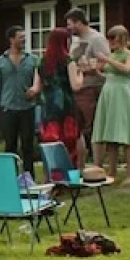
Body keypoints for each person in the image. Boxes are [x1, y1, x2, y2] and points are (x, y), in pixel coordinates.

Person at [93, 25, 130, 183]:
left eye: (113, 39)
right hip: (108, 91)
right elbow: (105, 73)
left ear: (122, 38)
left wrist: (107, 59)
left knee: (126, 134)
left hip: (121, 93)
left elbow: (127, 69)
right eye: (109, 39)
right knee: (110, 135)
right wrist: (97, 68)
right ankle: (112, 171)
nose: (111, 42)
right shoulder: (111, 55)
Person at [0, 25, 39, 173]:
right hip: (8, 108)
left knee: (27, 145)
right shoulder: (0, 62)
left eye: (24, 37)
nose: (23, 40)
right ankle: (11, 176)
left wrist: (35, 91)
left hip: (27, 108)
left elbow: (39, 81)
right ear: (11, 39)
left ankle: (29, 178)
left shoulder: (32, 60)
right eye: (20, 37)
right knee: (10, 145)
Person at [37, 27, 86, 172]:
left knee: (51, 141)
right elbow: (76, 85)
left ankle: (52, 174)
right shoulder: (68, 61)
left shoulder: (41, 62)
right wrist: (81, 72)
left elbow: (36, 87)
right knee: (69, 140)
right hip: (65, 106)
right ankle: (70, 175)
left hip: (48, 107)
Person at [65, 8, 110, 160]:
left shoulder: (96, 38)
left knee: (93, 125)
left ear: (78, 22)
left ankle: (98, 161)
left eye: (70, 24)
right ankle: (82, 161)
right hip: (77, 88)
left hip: (92, 86)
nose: (68, 28)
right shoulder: (74, 41)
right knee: (79, 127)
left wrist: (90, 68)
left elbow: (105, 61)